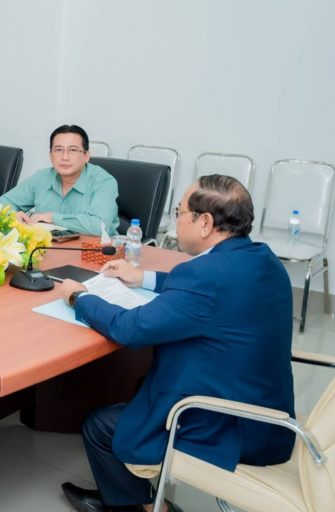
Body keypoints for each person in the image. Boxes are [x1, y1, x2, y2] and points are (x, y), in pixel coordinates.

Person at [58, 175, 294, 512]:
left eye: (179, 212)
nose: (175, 221)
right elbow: (207, 290)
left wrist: (79, 298)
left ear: (205, 223)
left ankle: (147, 508)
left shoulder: (205, 275)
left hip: (230, 424)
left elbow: (130, 329)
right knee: (141, 388)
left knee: (100, 425)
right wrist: (143, 277)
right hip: (268, 416)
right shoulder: (261, 258)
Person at [0, 124, 119, 236]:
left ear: (86, 156)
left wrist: (53, 217)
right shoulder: (41, 178)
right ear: (50, 155)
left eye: (73, 150)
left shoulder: (103, 182)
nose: (64, 157)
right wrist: (12, 214)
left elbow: (98, 227)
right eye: (58, 150)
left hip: (94, 250)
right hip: (49, 247)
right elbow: (0, 203)